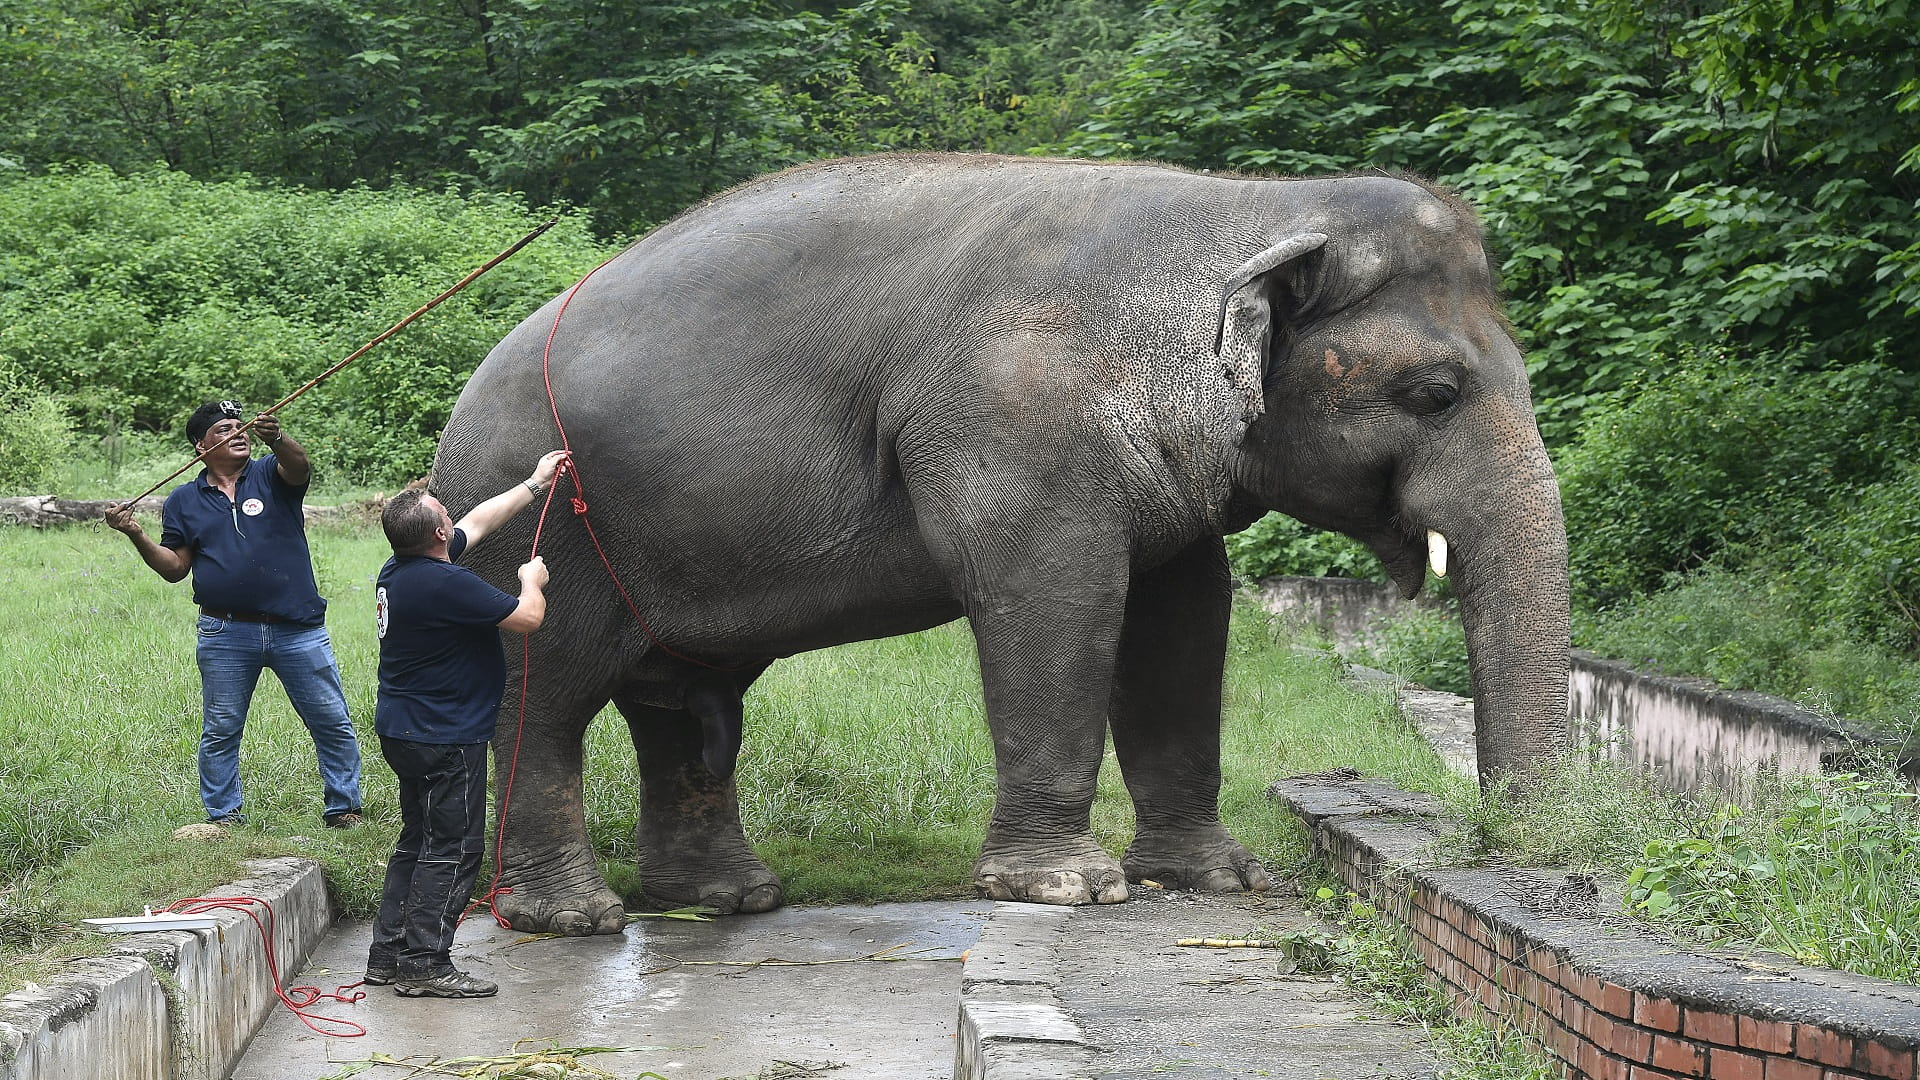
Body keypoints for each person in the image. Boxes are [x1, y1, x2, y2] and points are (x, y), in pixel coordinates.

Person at [364, 449, 567, 999]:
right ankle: (426, 964)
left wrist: (535, 483)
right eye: (444, 516)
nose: (453, 519)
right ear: (437, 533)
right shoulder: (447, 584)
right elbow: (528, 618)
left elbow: (477, 521)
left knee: (417, 841)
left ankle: (388, 954)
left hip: (405, 729)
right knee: (452, 849)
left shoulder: (401, 568)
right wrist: (531, 579)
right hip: (446, 738)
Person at [105, 400, 363, 829]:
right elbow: (175, 568)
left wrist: (277, 439)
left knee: (330, 720)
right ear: (201, 446)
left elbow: (299, 466)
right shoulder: (183, 500)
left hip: (297, 628)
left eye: (240, 425)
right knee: (221, 729)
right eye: (224, 429)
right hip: (225, 631)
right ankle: (224, 816)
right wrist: (134, 533)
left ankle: (343, 808)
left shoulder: (270, 473)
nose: (238, 432)